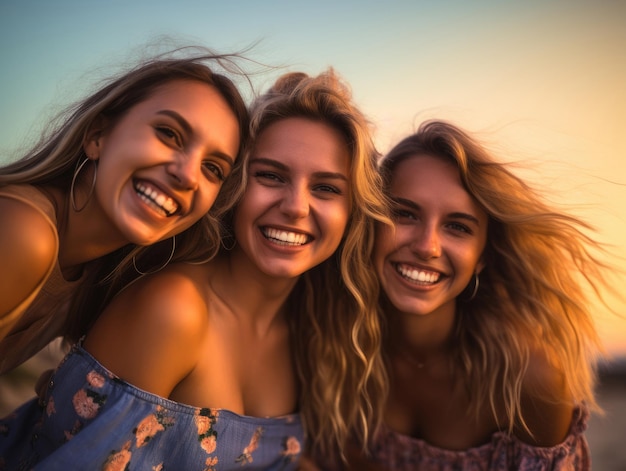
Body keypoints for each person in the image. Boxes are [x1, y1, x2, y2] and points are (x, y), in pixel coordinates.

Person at [0, 69, 390, 470]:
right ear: (233, 188)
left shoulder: (317, 330)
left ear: (352, 213)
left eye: (326, 188)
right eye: (270, 176)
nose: (295, 206)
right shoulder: (173, 309)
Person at [357, 120, 611, 470]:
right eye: (405, 214)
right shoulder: (336, 346)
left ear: (482, 257)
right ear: (369, 223)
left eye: (457, 227)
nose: (427, 246)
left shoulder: (527, 377)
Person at [0, 49, 250, 375]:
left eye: (213, 168)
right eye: (169, 134)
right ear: (97, 136)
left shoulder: (96, 277)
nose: (188, 175)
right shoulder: (23, 229)